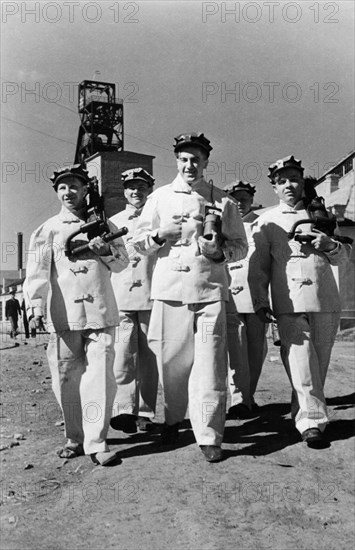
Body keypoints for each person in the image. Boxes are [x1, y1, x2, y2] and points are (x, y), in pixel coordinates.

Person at [133, 132, 248, 462]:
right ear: (177, 161)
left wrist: (219, 252)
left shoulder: (222, 200)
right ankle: (173, 419)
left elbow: (240, 246)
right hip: (169, 289)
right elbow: (136, 244)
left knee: (211, 363)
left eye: (196, 159)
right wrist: (158, 236)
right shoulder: (159, 197)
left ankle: (210, 434)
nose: (190, 165)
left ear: (206, 162)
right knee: (172, 361)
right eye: (184, 159)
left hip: (209, 289)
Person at [24, 164, 128, 466]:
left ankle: (97, 441)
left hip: (100, 313)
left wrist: (104, 250)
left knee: (99, 377)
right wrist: (36, 308)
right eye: (63, 188)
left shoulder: (103, 225)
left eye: (75, 187)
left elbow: (121, 263)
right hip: (64, 314)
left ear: (86, 190)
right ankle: (75, 437)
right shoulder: (49, 229)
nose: (69, 193)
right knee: (66, 376)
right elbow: (37, 273)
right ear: (57, 192)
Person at [250, 155, 351, 446]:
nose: (289, 185)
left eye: (293, 179)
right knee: (300, 361)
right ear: (274, 187)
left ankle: (303, 412)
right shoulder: (266, 221)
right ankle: (312, 424)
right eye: (282, 181)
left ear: (302, 180)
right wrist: (260, 301)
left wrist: (330, 245)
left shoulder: (322, 214)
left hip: (325, 299)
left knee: (316, 365)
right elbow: (258, 269)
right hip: (289, 302)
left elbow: (345, 257)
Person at [109, 168, 158, 434]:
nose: (136, 191)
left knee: (150, 358)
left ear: (149, 189)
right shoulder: (113, 222)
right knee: (123, 356)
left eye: (141, 186)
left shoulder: (158, 218)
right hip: (122, 295)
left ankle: (146, 412)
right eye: (131, 187)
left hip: (152, 294)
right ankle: (124, 409)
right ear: (124, 191)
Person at [223, 181, 267, 419]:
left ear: (251, 199)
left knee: (256, 349)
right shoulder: (221, 224)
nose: (240, 203)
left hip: (255, 294)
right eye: (235, 199)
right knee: (235, 350)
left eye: (245, 198)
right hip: (230, 293)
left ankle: (248, 396)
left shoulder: (262, 224)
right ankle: (238, 399)